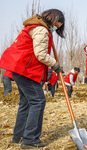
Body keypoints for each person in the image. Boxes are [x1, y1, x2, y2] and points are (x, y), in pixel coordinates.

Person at [0, 9, 65, 149]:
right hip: (25, 70)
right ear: (52, 18)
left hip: (21, 69)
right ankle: (30, 139)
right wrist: (55, 66)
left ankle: (19, 136)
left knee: (26, 103)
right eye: (59, 22)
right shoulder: (41, 30)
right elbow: (40, 55)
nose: (59, 26)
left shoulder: (35, 27)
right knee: (38, 101)